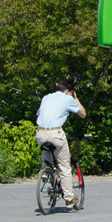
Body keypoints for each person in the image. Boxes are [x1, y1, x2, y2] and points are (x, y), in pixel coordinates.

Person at [36, 78, 86, 206]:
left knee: (47, 155)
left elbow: (40, 115)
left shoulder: (46, 97)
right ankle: (69, 198)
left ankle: (46, 172)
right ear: (69, 91)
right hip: (56, 133)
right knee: (64, 166)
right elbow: (83, 114)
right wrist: (75, 98)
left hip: (40, 133)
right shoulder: (68, 99)